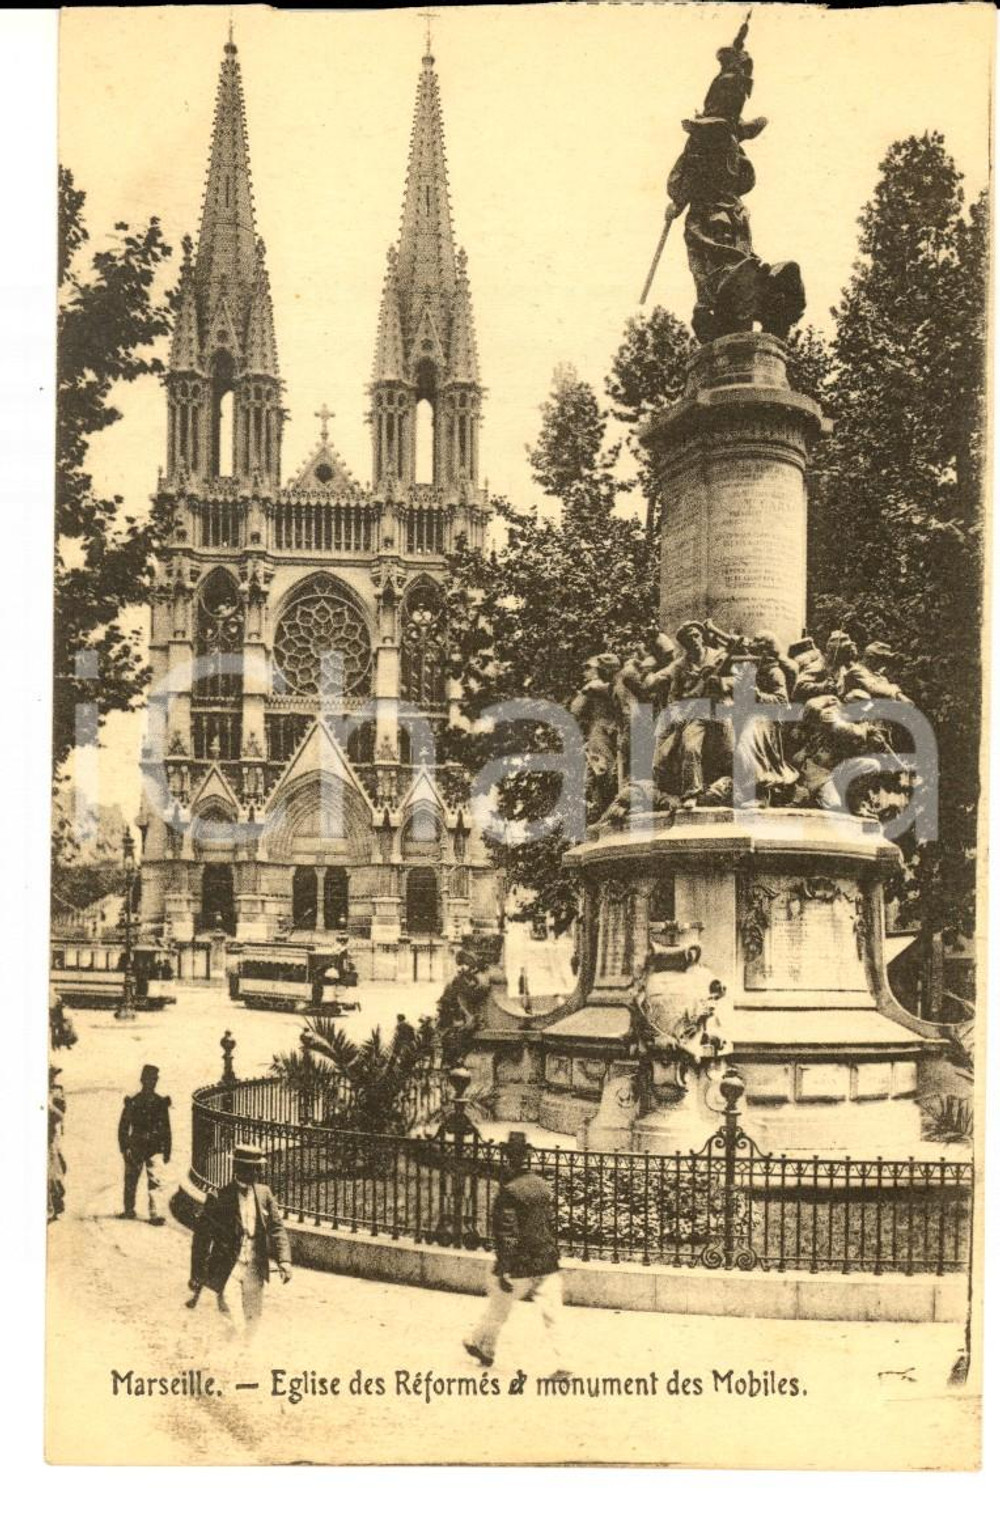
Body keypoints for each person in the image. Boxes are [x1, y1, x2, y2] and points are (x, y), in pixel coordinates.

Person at [464, 1132, 568, 1375]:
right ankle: (566, 1364)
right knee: (553, 1315)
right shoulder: (542, 1186)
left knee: (498, 1307)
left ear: (507, 1158)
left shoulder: (509, 1191)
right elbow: (547, 1224)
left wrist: (504, 1269)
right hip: (546, 1260)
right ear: (528, 1156)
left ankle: (482, 1345)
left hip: (521, 1264)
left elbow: (507, 1234)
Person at [189, 1144, 291, 1337]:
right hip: (228, 1266)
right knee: (230, 1313)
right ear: (237, 1168)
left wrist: (284, 1260)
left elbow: (276, 1228)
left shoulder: (264, 1193)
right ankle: (232, 1352)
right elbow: (201, 1239)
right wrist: (196, 1274)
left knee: (254, 1317)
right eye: (250, 1168)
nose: (255, 1173)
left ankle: (246, 1356)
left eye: (257, 1168)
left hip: (255, 1265)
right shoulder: (219, 1197)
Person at [118, 1063, 171, 1224]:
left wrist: (166, 1150)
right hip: (135, 1147)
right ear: (142, 1081)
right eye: (149, 1080)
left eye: (154, 1080)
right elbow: (124, 1126)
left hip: (154, 1148)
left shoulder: (161, 1102)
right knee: (131, 1179)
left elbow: (166, 1128)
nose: (152, 1083)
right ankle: (128, 1210)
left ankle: (154, 1214)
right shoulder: (133, 1102)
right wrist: (125, 1147)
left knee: (155, 1182)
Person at [48, 1065, 67, 1224]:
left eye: (53, 1074)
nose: (52, 1078)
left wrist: (49, 1106)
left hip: (51, 1138)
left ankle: (56, 1205)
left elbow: (60, 1115)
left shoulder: (57, 1091)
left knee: (54, 1174)